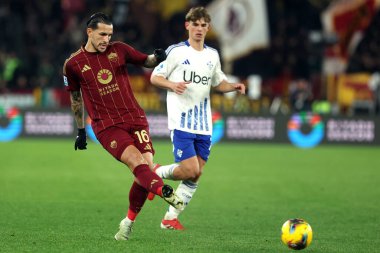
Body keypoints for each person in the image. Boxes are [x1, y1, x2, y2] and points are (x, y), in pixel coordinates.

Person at [62, 12, 184, 241]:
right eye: (102, 34)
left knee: (145, 168)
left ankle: (127, 223)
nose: (106, 39)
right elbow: (75, 99)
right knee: (136, 163)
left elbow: (145, 61)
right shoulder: (73, 64)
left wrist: (156, 58)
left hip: (135, 118)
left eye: (109, 34)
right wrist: (80, 130)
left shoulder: (119, 49)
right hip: (107, 126)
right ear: (89, 32)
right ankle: (163, 191)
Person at [150, 7, 246, 230]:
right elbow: (156, 76)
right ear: (187, 26)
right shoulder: (176, 52)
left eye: (203, 25)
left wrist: (232, 86)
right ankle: (153, 174)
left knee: (196, 173)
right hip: (181, 121)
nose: (199, 29)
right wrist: (172, 84)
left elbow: (217, 82)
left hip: (204, 125)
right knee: (190, 169)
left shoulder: (212, 55)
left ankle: (170, 218)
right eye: (195, 24)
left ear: (208, 28)